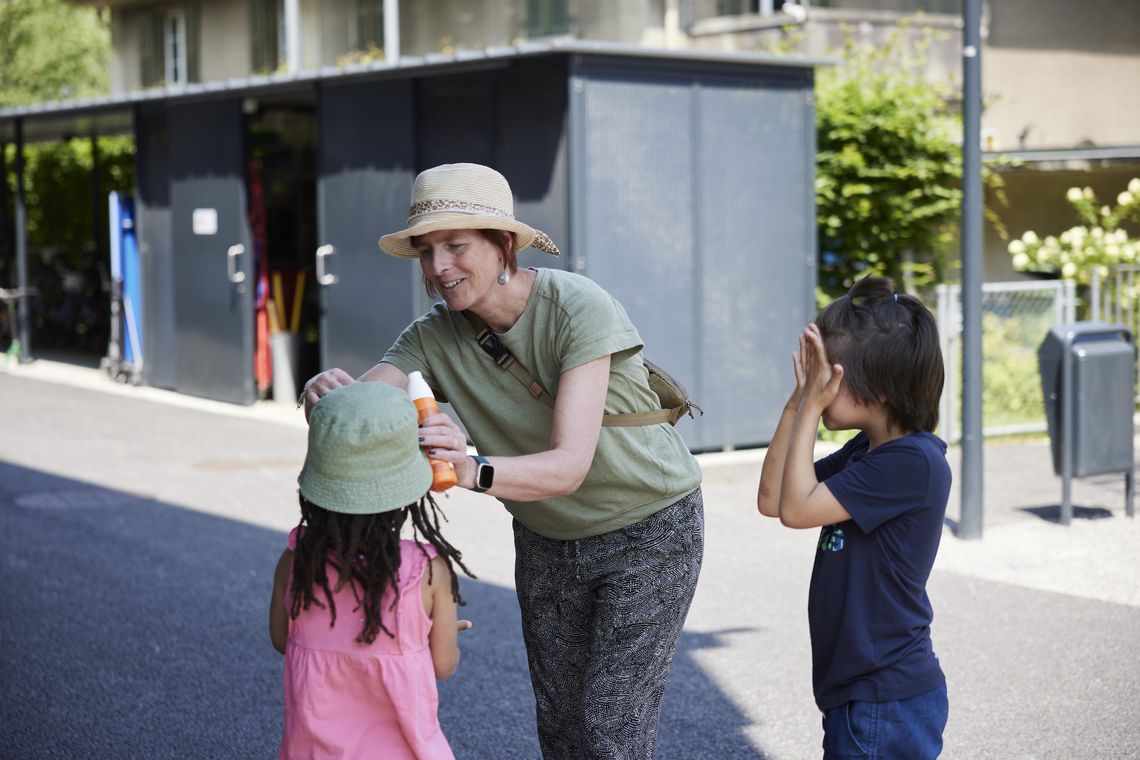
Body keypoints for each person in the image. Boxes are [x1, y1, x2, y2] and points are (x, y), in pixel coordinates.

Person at [302, 162, 704, 759]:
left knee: (610, 726)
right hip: (545, 537)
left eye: (456, 245)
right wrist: (319, 396)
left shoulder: (575, 307)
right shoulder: (432, 336)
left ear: (504, 244)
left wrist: (469, 467)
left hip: (649, 529)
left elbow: (569, 466)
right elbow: (362, 414)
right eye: (427, 250)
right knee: (561, 727)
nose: (439, 267)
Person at [756, 276, 950, 759]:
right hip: (861, 691)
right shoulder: (867, 451)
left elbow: (797, 511)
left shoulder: (912, 462)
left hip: (886, 696)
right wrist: (797, 404)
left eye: (830, 374)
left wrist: (811, 407)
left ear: (878, 390)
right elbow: (774, 498)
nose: (820, 382)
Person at [269, 381, 473, 759]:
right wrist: (432, 630)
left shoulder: (297, 561)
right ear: (404, 496)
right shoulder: (428, 571)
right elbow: (444, 664)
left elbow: (283, 639)